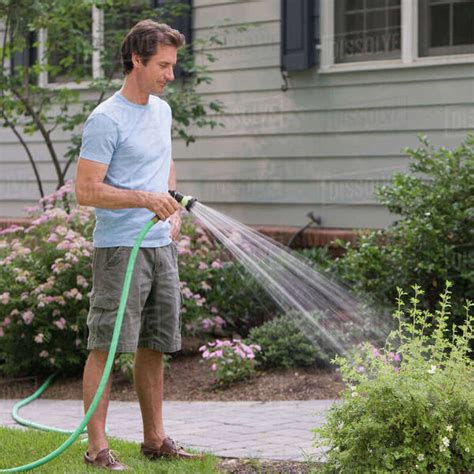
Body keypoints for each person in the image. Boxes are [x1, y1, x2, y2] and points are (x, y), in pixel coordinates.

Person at [75, 19, 200, 471]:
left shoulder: (161, 111)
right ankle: (97, 449)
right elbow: (86, 190)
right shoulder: (106, 119)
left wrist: (173, 204)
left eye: (172, 65)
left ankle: (155, 439)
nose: (170, 74)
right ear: (137, 60)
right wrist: (143, 198)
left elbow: (165, 165)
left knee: (154, 344)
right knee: (107, 346)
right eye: (163, 65)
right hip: (120, 249)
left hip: (159, 245)